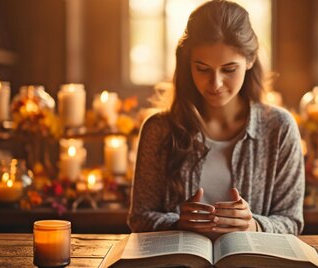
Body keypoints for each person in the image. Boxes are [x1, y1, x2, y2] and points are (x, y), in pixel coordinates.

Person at [128, 0, 304, 238]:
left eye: (229, 69)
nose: (215, 84)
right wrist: (178, 223)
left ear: (250, 61)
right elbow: (140, 216)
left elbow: (291, 220)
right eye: (202, 68)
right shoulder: (159, 129)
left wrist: (253, 225)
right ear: (187, 64)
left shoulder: (279, 128)